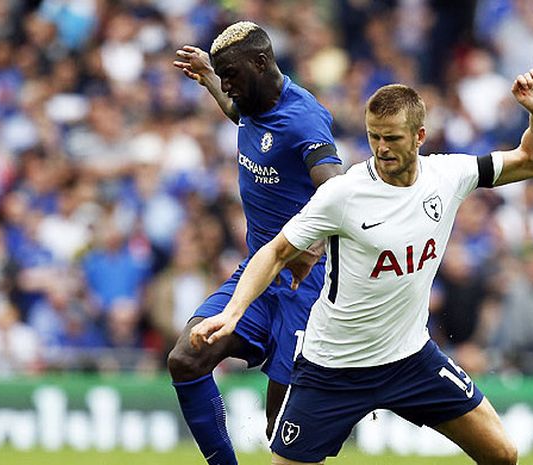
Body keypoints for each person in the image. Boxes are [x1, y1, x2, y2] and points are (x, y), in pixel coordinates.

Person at [191, 67, 533, 465]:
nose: (381, 148)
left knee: (503, 454)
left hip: (410, 360)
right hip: (333, 367)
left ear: (419, 136)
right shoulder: (344, 194)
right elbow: (276, 251)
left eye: (393, 138)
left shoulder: (449, 175)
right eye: (373, 137)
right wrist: (233, 312)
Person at [168, 21, 342, 465]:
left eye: (232, 75)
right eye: (222, 76)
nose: (227, 86)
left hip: (308, 286)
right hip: (259, 274)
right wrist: (209, 74)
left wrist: (316, 243)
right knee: (187, 359)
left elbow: (336, 186)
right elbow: (239, 112)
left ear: (262, 63)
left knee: (282, 431)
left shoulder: (303, 118)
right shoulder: (252, 102)